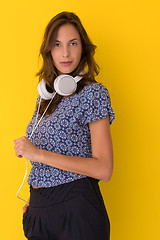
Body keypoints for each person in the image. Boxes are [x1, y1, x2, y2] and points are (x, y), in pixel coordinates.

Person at [14, 11, 115, 240]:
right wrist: (37, 201)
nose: (66, 53)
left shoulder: (93, 94)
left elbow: (104, 169)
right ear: (49, 50)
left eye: (73, 43)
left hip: (76, 210)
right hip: (39, 212)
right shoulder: (46, 96)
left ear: (83, 48)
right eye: (57, 45)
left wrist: (38, 154)